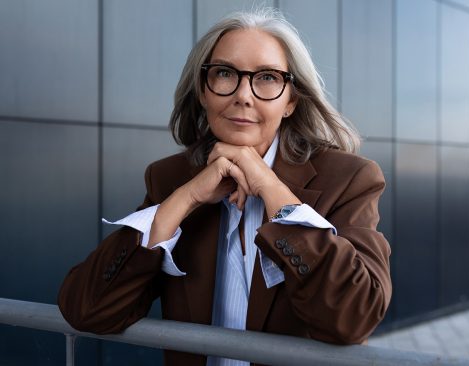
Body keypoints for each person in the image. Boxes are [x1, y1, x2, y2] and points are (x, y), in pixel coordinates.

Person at [58, 8, 391, 366]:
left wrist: (271, 189)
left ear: (291, 101)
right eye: (224, 73)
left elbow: (355, 317)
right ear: (203, 91)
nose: (243, 95)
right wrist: (186, 198)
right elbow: (87, 310)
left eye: (266, 78)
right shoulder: (171, 178)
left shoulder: (348, 180)